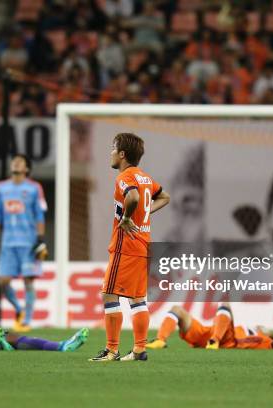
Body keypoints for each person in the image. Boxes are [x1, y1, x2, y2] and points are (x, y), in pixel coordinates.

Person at [89, 133, 170, 362]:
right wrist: (146, 212)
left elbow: (132, 197)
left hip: (125, 245)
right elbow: (165, 196)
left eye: (113, 148)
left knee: (108, 293)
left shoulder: (125, 177)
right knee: (137, 299)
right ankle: (139, 350)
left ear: (122, 154)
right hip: (143, 244)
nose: (111, 152)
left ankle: (112, 350)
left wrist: (126, 217)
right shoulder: (145, 178)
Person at [0, 154, 48, 332]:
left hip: (28, 243)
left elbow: (39, 215)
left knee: (28, 281)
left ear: (26, 168)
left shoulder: (34, 188)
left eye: (20, 161)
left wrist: (41, 239)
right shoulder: (2, 187)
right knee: (3, 281)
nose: (16, 163)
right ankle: (19, 310)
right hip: (8, 243)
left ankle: (26, 321)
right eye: (14, 161)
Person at [147, 303, 273, 351]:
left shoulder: (265, 340)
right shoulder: (249, 328)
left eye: (267, 329)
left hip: (226, 339)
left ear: (271, 335)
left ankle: (214, 341)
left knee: (224, 305)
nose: (263, 327)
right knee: (177, 310)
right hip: (205, 333)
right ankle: (160, 340)